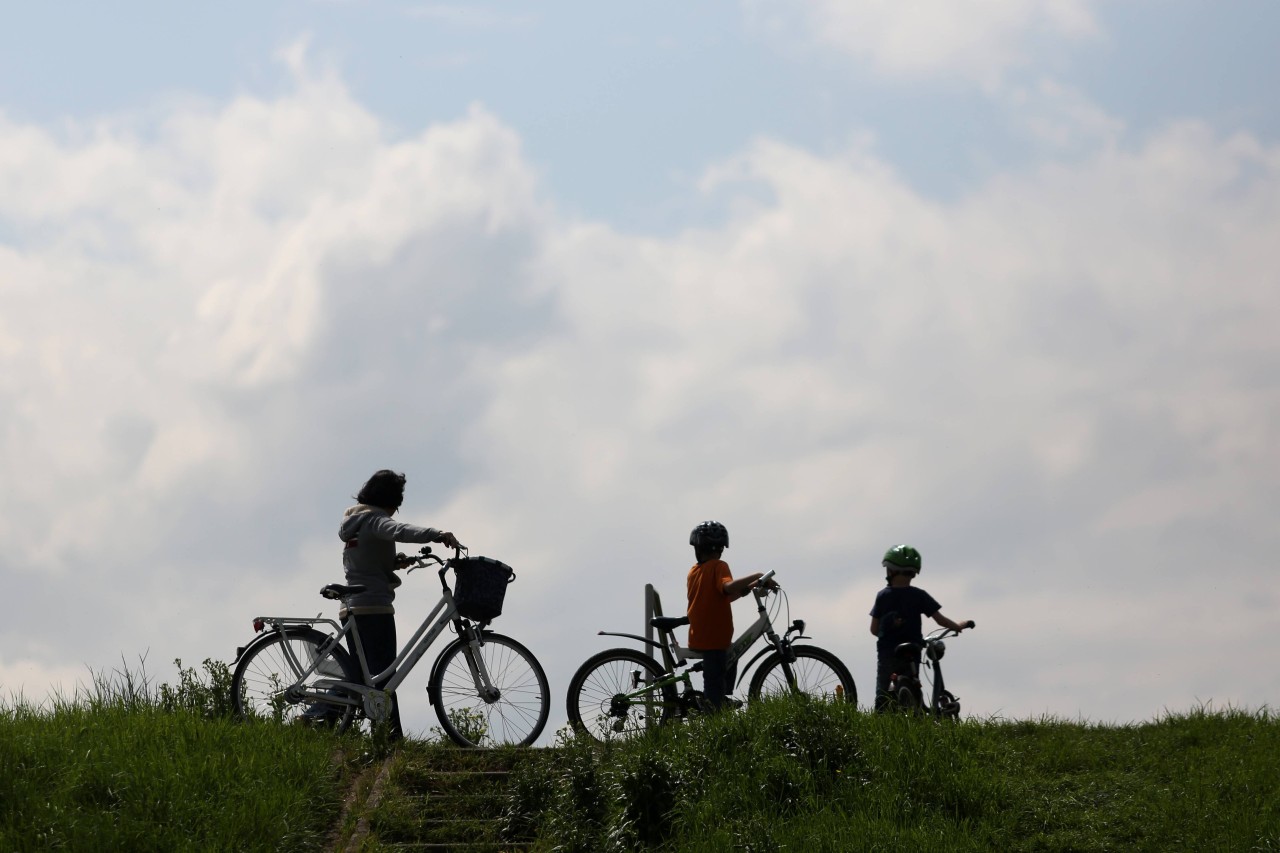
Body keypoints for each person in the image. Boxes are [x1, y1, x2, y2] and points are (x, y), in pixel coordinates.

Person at [336, 469, 461, 740]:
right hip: (373, 607)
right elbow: (399, 530)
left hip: (355, 606)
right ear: (389, 500)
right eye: (396, 505)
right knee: (385, 678)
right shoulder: (374, 519)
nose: (395, 512)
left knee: (363, 677)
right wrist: (437, 534)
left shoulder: (355, 518)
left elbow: (366, 559)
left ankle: (324, 718)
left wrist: (394, 562)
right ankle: (391, 738)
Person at [868, 544, 972, 712]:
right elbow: (941, 621)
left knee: (883, 694)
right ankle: (917, 706)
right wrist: (958, 626)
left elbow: (874, 630)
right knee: (913, 683)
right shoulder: (919, 595)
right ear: (913, 573)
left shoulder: (882, 596)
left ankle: (881, 717)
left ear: (890, 571)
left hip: (888, 653)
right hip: (913, 651)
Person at [685, 520, 763, 711]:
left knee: (732, 654)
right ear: (720, 548)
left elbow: (720, 597)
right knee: (714, 684)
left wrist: (751, 586)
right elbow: (727, 587)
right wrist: (757, 575)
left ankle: (720, 699)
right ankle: (714, 710)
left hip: (700, 634)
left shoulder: (694, 571)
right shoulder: (719, 566)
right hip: (714, 638)